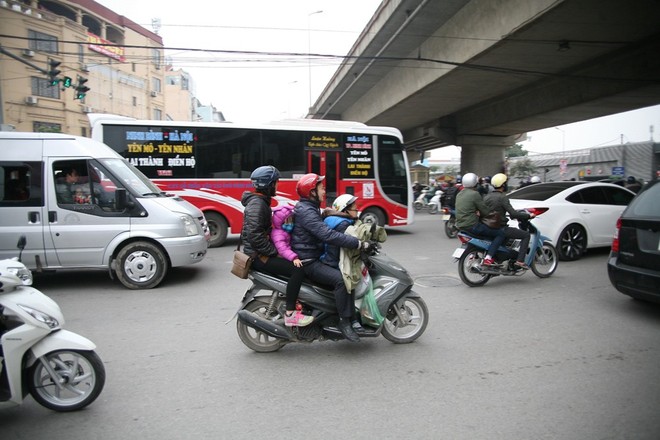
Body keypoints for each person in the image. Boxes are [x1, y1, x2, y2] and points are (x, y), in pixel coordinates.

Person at [291, 173, 371, 342]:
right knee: (342, 280)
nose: (324, 190)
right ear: (312, 192)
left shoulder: (309, 208)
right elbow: (327, 234)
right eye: (321, 187)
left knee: (346, 273)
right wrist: (357, 243)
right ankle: (345, 322)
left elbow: (326, 218)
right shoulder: (307, 212)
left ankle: (348, 317)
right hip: (309, 261)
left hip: (312, 256)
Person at [241, 165, 313, 327]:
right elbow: (254, 236)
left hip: (259, 253)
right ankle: (290, 314)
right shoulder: (257, 205)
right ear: (268, 185)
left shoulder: (259, 202)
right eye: (275, 183)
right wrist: (275, 252)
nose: (277, 186)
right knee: (297, 268)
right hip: (258, 256)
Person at [320, 194, 366, 334]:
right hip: (331, 262)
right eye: (354, 208)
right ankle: (346, 320)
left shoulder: (334, 219)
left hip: (327, 259)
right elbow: (352, 240)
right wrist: (364, 245)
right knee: (346, 281)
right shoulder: (342, 224)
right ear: (344, 210)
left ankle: (352, 317)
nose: (357, 210)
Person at [270, 203, 310, 326]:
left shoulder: (285, 232)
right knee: (298, 270)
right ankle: (290, 313)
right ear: (280, 221)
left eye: (292, 220)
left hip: (285, 258)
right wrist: (294, 258)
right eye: (287, 221)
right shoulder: (278, 234)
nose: (290, 223)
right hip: (283, 258)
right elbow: (282, 249)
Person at [484, 173, 535, 269]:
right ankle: (520, 261)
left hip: (488, 227)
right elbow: (514, 214)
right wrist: (529, 215)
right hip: (500, 227)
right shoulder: (502, 197)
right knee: (525, 235)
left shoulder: (487, 197)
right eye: (505, 183)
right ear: (503, 185)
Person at [455, 172, 506, 266]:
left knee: (486, 235)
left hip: (460, 226)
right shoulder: (475, 194)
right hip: (472, 226)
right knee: (500, 234)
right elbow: (485, 211)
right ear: (475, 183)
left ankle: (475, 253)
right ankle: (488, 257)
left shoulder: (459, 194)